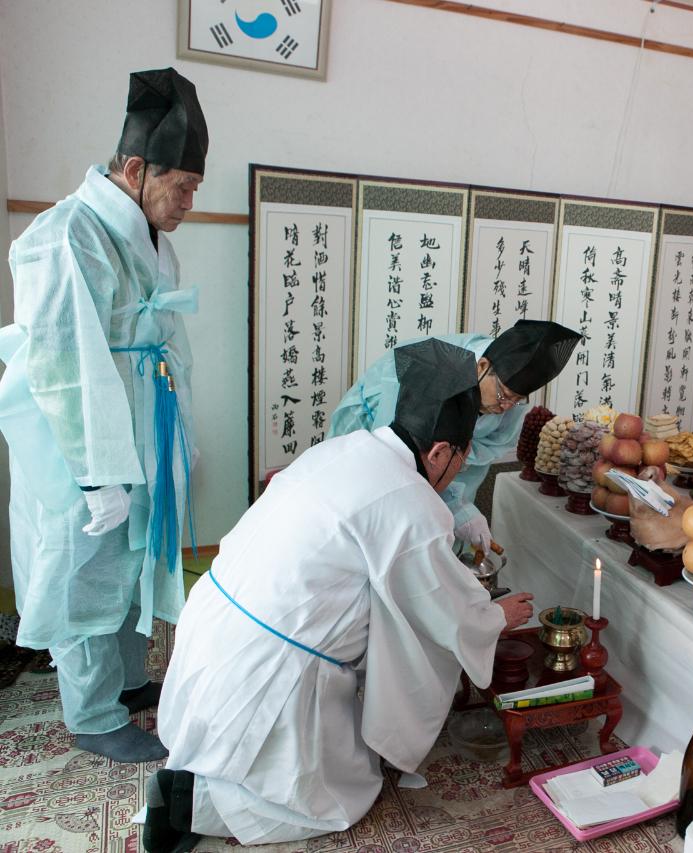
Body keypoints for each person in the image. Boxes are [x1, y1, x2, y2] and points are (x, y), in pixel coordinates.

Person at [146, 339, 536, 851]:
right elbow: (443, 610)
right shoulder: (412, 501)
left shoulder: (342, 449)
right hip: (270, 670)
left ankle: (195, 775)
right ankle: (197, 803)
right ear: (440, 452)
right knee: (336, 796)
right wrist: (495, 617)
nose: (458, 474)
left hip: (210, 629)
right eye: (462, 460)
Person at [0, 68, 207, 763]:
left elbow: (171, 345)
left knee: (136, 554)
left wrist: (181, 441)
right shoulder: (68, 235)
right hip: (80, 440)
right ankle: (90, 713)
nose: (186, 203)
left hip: (145, 427)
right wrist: (96, 473)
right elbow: (63, 364)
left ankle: (125, 680)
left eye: (193, 191)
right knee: (85, 563)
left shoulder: (156, 243)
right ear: (134, 167)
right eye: (180, 187)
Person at [328, 319, 582, 550]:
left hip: (439, 464)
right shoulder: (432, 366)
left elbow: (473, 460)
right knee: (375, 517)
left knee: (442, 531)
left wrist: (460, 509)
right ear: (482, 366)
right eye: (504, 395)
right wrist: (449, 507)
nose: (506, 407)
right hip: (380, 443)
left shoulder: (511, 401)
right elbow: (397, 454)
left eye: (516, 400)